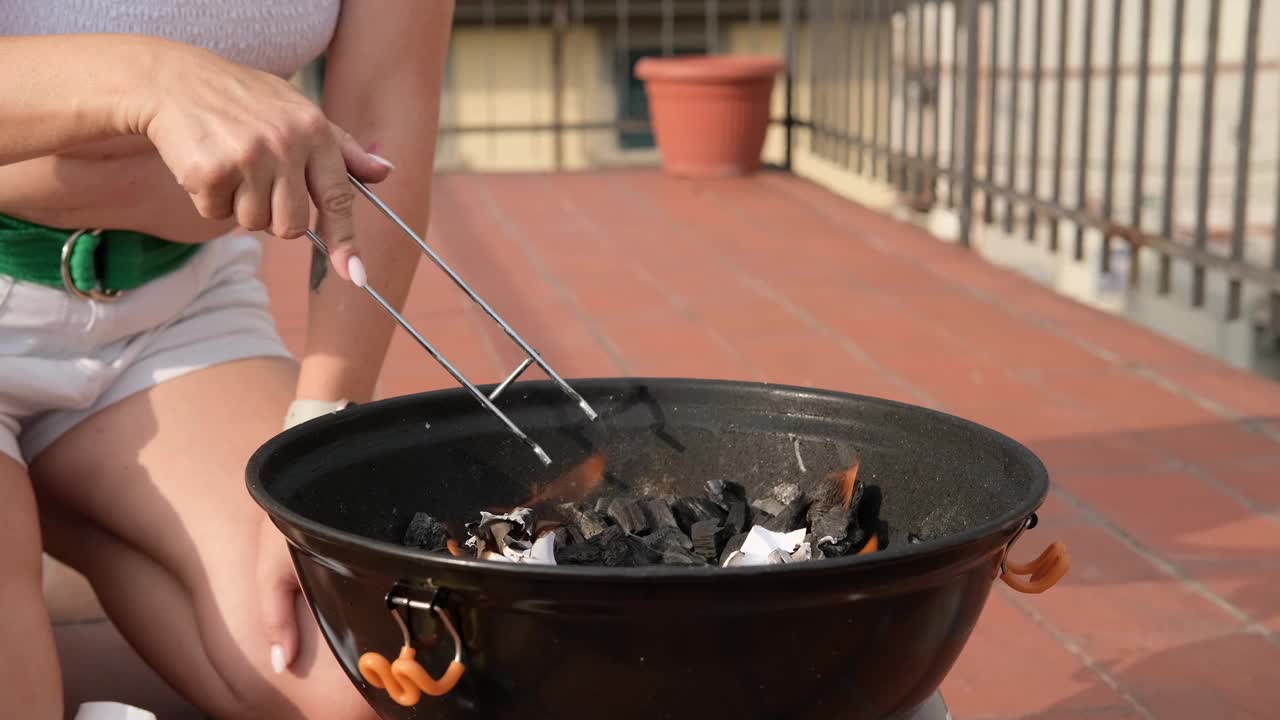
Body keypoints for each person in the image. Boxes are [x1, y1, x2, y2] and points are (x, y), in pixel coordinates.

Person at [0, 2, 454, 717]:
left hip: (177, 309)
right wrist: (149, 76)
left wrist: (322, 414)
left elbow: (380, 118)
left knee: (366, 677)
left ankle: (49, 495)